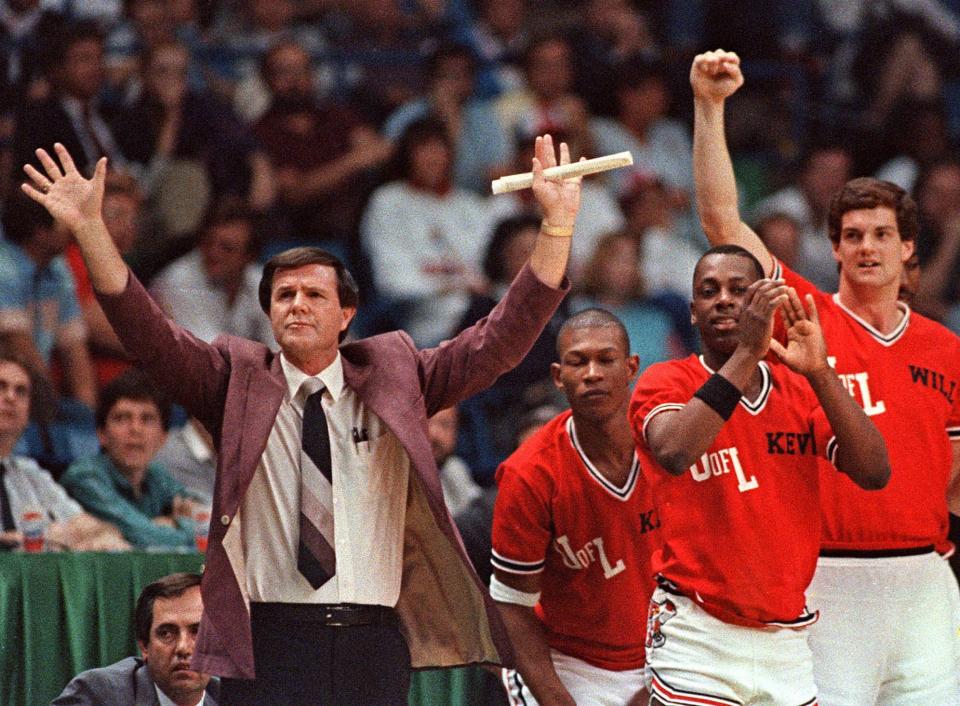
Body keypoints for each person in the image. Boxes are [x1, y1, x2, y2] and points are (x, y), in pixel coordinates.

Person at [22, 134, 580, 704]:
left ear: (346, 314)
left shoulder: (397, 373)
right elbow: (150, 335)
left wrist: (556, 225)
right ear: (268, 313)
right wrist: (91, 230)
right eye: (283, 294)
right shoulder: (234, 377)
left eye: (314, 294)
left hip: (373, 640)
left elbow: (498, 342)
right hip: (270, 640)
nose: (297, 304)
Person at [691, 49, 960, 704]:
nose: (867, 246)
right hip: (829, 576)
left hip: (927, 578)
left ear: (908, 249)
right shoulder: (800, 314)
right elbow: (723, 222)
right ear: (834, 248)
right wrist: (710, 105)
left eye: (881, 234)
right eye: (852, 234)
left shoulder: (947, 347)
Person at [633, 245, 889, 705]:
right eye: (709, 292)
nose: (725, 300)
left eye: (739, 290)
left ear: (766, 302)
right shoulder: (666, 380)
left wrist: (821, 373)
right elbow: (674, 452)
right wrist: (749, 352)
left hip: (785, 639)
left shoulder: (797, 388)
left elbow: (874, 471)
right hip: (697, 631)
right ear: (693, 313)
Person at [491, 308, 657, 706]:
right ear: (557, 377)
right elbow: (512, 607)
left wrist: (659, 684)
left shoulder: (666, 444)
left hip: (662, 652)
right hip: (566, 662)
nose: (593, 373)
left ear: (632, 367)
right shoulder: (529, 473)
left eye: (606, 359)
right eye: (578, 361)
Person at [0, 353, 127, 551]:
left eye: (21, 391)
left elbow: (100, 528)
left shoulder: (29, 474)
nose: (10, 397)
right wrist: (41, 539)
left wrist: (98, 537)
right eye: (1, 387)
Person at [60, 369, 197, 550]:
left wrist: (177, 524)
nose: (135, 429)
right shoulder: (85, 477)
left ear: (163, 437)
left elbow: (207, 518)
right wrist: (182, 524)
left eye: (147, 419)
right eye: (122, 418)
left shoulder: (157, 475)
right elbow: (146, 536)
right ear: (102, 434)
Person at [52, 572, 219, 706]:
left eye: (197, 632)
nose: (183, 648)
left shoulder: (228, 698)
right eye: (167, 634)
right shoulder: (99, 694)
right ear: (144, 646)